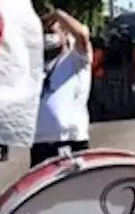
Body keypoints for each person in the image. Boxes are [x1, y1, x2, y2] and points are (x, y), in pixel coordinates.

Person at [33, 9, 93, 167]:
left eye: (53, 30)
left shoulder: (76, 60)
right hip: (40, 145)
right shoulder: (37, 66)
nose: (48, 36)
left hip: (69, 142)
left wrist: (57, 14)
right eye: (45, 32)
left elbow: (82, 35)